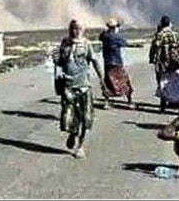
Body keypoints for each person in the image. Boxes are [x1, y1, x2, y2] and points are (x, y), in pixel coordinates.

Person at [54, 19, 104, 158]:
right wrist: (56, 60)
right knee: (68, 118)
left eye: (78, 28)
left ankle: (80, 146)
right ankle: (72, 133)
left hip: (84, 86)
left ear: (83, 30)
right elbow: (61, 62)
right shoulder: (65, 43)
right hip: (68, 87)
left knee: (85, 118)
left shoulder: (87, 45)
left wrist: (101, 79)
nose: (75, 31)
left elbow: (94, 61)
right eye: (73, 28)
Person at [149, 15, 179, 111]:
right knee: (174, 82)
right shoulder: (176, 34)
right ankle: (175, 101)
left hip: (163, 62)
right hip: (175, 61)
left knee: (162, 82)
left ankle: (163, 103)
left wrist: (152, 59)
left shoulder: (160, 35)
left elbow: (155, 47)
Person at [98, 18, 133, 108]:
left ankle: (107, 102)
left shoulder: (105, 36)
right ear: (115, 27)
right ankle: (130, 102)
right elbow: (125, 43)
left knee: (108, 82)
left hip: (107, 62)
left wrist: (105, 31)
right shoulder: (117, 37)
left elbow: (100, 37)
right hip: (117, 62)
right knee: (124, 81)